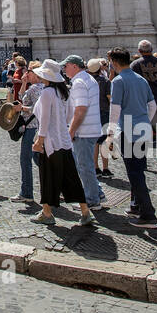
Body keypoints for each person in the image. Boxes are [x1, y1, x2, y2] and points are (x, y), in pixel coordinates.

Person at [31, 59, 94, 227]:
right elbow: (68, 116)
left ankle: (46, 213)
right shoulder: (63, 92)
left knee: (47, 177)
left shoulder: (47, 93)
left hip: (50, 143)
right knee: (71, 177)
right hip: (64, 141)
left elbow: (44, 119)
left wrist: (40, 140)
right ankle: (85, 211)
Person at [107, 47, 157, 228]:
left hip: (128, 132)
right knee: (139, 168)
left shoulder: (118, 81)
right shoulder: (141, 79)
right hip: (143, 129)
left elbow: (115, 110)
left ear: (113, 62)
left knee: (135, 173)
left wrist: (110, 134)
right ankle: (135, 206)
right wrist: (143, 121)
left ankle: (148, 215)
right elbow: (152, 106)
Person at [61, 55, 104, 210]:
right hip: (92, 128)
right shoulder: (89, 78)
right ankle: (97, 193)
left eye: (65, 66)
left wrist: (71, 131)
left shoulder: (78, 82)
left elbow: (80, 110)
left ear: (74, 66)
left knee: (84, 166)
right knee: (86, 165)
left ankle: (92, 200)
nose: (64, 70)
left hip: (84, 131)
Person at [131, 40, 157, 173]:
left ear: (139, 51)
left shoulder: (135, 65)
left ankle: (142, 161)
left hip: (143, 104)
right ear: (152, 49)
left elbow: (133, 86)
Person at [10, 64, 44, 204]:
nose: (26, 74)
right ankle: (57, 186)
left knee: (26, 159)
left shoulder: (36, 88)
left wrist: (21, 108)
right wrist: (24, 82)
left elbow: (35, 108)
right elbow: (21, 96)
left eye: (29, 72)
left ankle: (27, 192)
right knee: (39, 159)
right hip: (38, 127)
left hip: (31, 127)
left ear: (36, 74)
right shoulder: (39, 87)